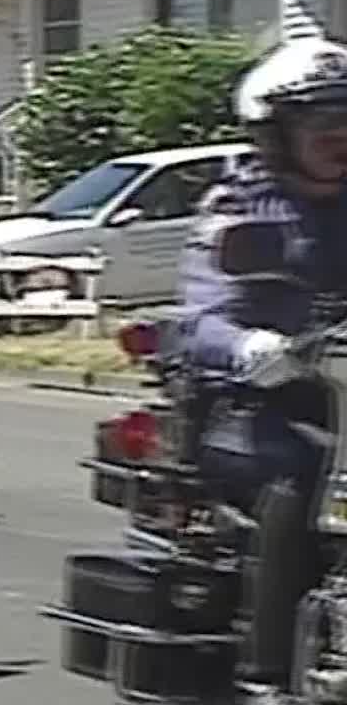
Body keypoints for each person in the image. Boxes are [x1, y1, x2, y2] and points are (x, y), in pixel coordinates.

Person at [176, 36, 347, 692]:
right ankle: (267, 675)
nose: (339, 135)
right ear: (277, 134)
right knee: (302, 481)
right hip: (261, 407)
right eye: (321, 120)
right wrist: (250, 346)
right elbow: (199, 322)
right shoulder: (238, 205)